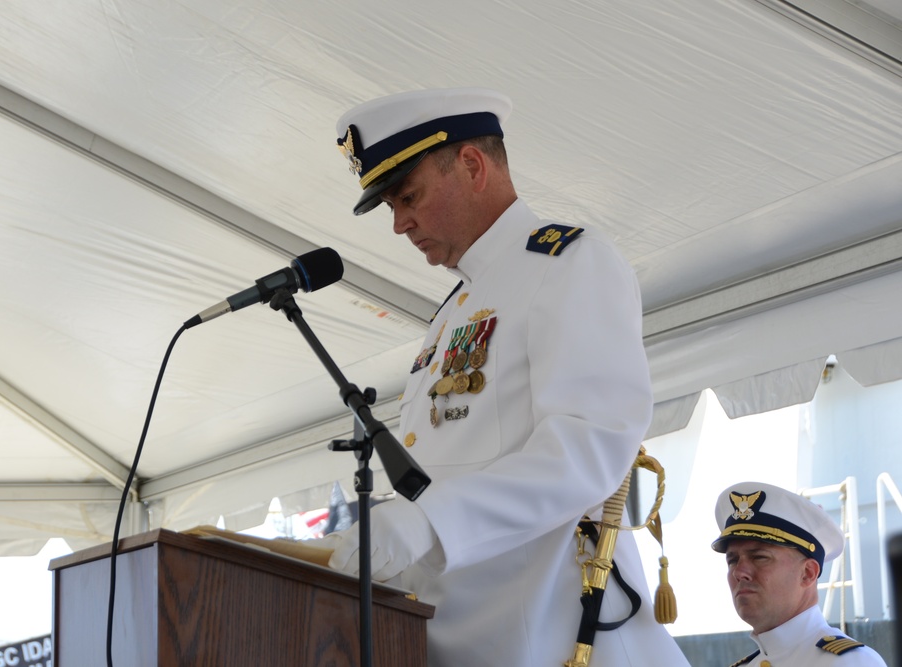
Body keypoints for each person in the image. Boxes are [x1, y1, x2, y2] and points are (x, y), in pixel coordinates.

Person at [321, 87, 690, 666]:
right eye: (391, 206)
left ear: (471, 165)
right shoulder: (451, 314)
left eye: (407, 196)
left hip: (551, 643)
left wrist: (430, 521)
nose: (399, 225)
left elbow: (588, 447)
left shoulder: (568, 263)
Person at [712, 481, 888, 666]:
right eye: (732, 560)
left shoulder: (853, 663)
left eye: (759, 557)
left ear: (808, 573)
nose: (739, 572)